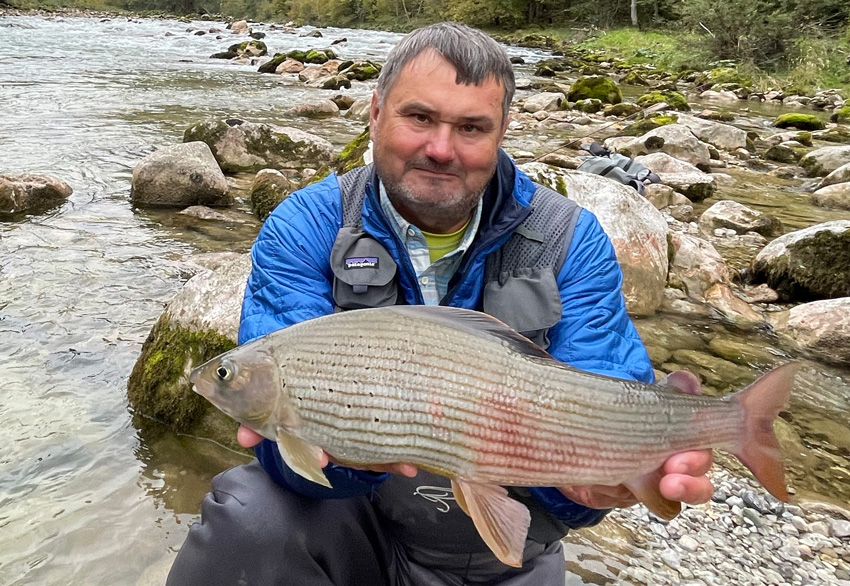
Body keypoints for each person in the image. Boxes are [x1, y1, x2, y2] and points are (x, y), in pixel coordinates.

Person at [166, 22, 713, 586]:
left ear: (503, 131)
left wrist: (589, 486)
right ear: (375, 112)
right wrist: (349, 450)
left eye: (471, 127)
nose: (440, 148)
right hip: (352, 530)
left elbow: (605, 384)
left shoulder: (569, 239)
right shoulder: (308, 226)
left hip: (507, 551)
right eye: (420, 117)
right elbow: (290, 459)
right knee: (248, 512)